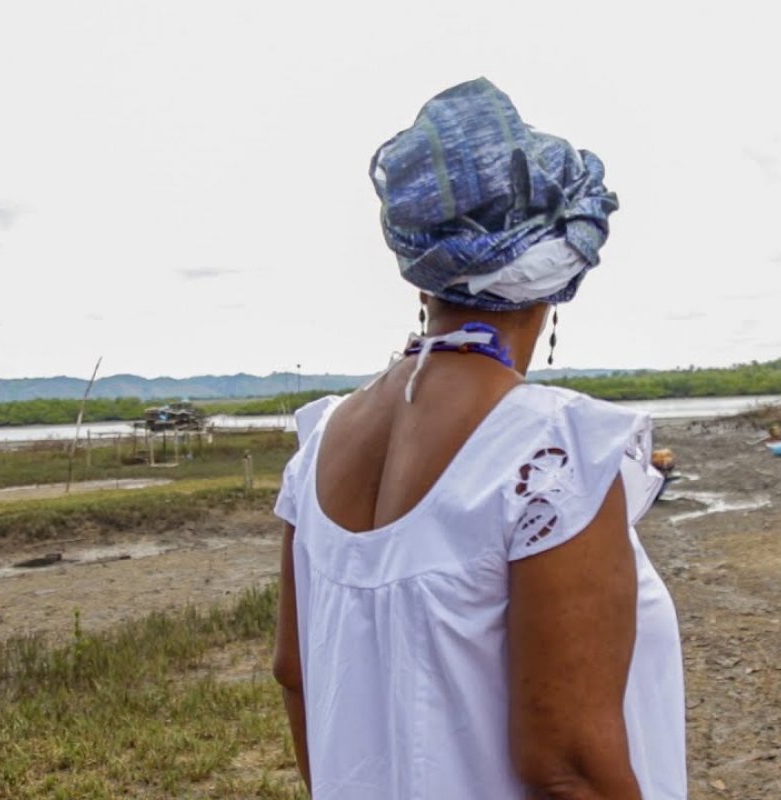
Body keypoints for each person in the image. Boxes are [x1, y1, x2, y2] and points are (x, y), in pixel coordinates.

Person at [273, 78, 687, 799]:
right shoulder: (552, 449)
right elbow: (568, 766)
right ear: (558, 279)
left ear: (422, 269)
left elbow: (296, 672)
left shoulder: (319, 443)